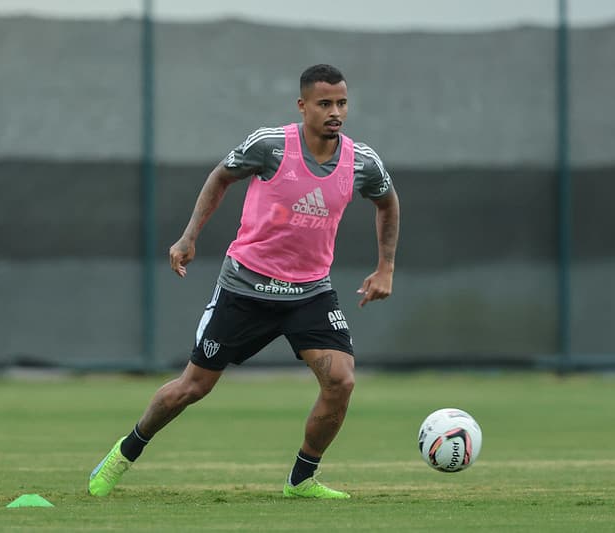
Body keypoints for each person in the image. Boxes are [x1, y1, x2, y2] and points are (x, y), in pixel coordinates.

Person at [88, 63, 399, 499]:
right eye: (325, 103)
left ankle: (302, 480)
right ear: (303, 105)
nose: (335, 112)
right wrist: (189, 236)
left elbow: (387, 202)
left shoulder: (361, 162)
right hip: (245, 288)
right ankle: (124, 452)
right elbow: (220, 176)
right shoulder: (271, 146)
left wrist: (385, 266)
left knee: (341, 381)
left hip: (309, 292)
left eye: (342, 103)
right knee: (192, 388)